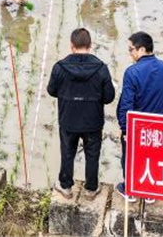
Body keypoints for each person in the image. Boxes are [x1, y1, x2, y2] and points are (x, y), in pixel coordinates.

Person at [47, 28, 115, 200]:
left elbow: (51, 90)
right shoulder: (101, 68)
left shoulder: (60, 67)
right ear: (90, 45)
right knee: (92, 155)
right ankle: (91, 189)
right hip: (92, 121)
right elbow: (109, 97)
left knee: (67, 152)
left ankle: (65, 187)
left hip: (68, 119)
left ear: (72, 46)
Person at [116, 31, 163, 200]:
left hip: (138, 127)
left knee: (131, 158)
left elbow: (126, 105)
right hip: (159, 125)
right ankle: (149, 192)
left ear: (141, 49)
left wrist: (125, 129)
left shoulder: (132, 72)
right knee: (153, 158)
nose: (130, 54)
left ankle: (130, 190)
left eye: (131, 49)